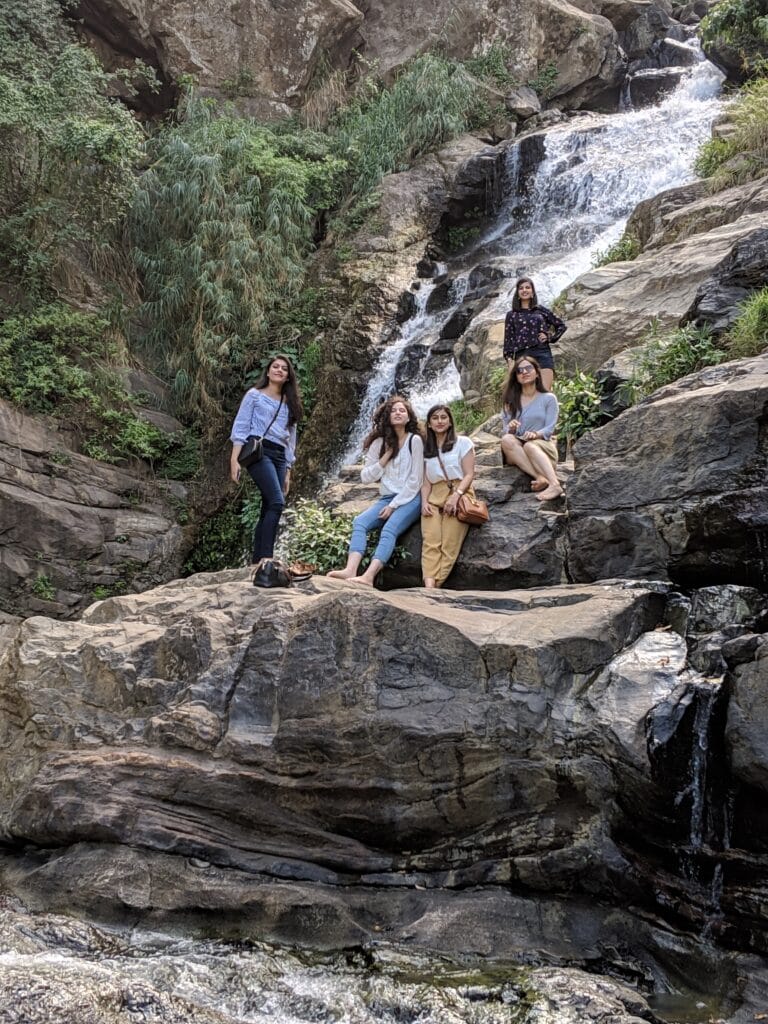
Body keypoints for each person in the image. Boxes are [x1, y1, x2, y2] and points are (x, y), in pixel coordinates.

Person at [327, 395, 423, 587]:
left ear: (409, 417)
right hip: (387, 497)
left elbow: (416, 480)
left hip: (411, 498)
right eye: (394, 410)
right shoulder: (379, 443)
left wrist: (394, 506)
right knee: (360, 522)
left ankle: (369, 576)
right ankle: (350, 570)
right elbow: (366, 477)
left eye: (402, 410)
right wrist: (386, 456)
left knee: (389, 529)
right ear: (387, 416)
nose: (398, 413)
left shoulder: (415, 441)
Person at [230, 354, 303, 563]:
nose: (279, 370)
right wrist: (234, 459)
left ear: (289, 376)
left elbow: (291, 440)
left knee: (269, 503)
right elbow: (241, 426)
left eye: (284, 368)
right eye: (275, 367)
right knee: (277, 502)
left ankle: (256, 561)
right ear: (268, 371)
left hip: (280, 456)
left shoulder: (291, 404)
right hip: (259, 451)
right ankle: (266, 559)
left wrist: (288, 469)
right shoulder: (254, 395)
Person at [421, 404, 476, 589]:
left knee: (449, 545)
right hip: (434, 496)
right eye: (435, 418)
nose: (439, 421)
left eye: (443, 417)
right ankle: (429, 587)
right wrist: (424, 502)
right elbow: (426, 481)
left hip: (459, 493)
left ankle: (434, 588)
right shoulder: (425, 450)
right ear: (428, 424)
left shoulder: (463, 443)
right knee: (431, 542)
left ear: (450, 421)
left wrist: (457, 496)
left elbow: (469, 474)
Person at [500, 355, 563, 501]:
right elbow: (505, 431)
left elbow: (549, 428)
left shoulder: (548, 398)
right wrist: (511, 428)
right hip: (518, 450)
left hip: (542, 448)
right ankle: (540, 477)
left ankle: (555, 484)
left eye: (529, 368)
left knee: (530, 446)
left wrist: (536, 434)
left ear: (536, 372)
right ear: (516, 376)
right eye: (519, 370)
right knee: (507, 439)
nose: (524, 372)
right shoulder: (510, 401)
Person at [503, 277, 566, 391]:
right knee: (527, 394)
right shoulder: (511, 315)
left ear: (532, 291)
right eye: (521, 288)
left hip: (542, 353)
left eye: (528, 287)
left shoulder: (540, 310)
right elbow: (508, 341)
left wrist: (549, 338)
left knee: (545, 393)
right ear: (517, 293)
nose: (524, 290)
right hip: (522, 357)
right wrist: (510, 362)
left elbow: (561, 326)